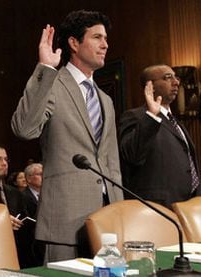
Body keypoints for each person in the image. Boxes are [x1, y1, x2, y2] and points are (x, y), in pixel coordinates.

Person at [11, 10, 123, 261]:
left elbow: (111, 160)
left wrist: (119, 210)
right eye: (97, 37)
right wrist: (45, 69)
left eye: (105, 38)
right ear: (74, 42)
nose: (105, 44)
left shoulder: (104, 99)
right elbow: (24, 128)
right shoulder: (52, 83)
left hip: (108, 219)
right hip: (64, 220)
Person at [119, 64, 201, 208]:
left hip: (189, 205)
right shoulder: (135, 116)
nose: (176, 82)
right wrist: (151, 116)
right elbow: (132, 155)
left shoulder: (176, 122)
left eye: (176, 77)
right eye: (168, 77)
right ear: (150, 86)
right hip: (159, 208)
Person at [22, 163, 45, 267]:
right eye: (40, 174)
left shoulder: (49, 194)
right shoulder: (22, 196)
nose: (43, 176)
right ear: (29, 178)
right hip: (31, 244)